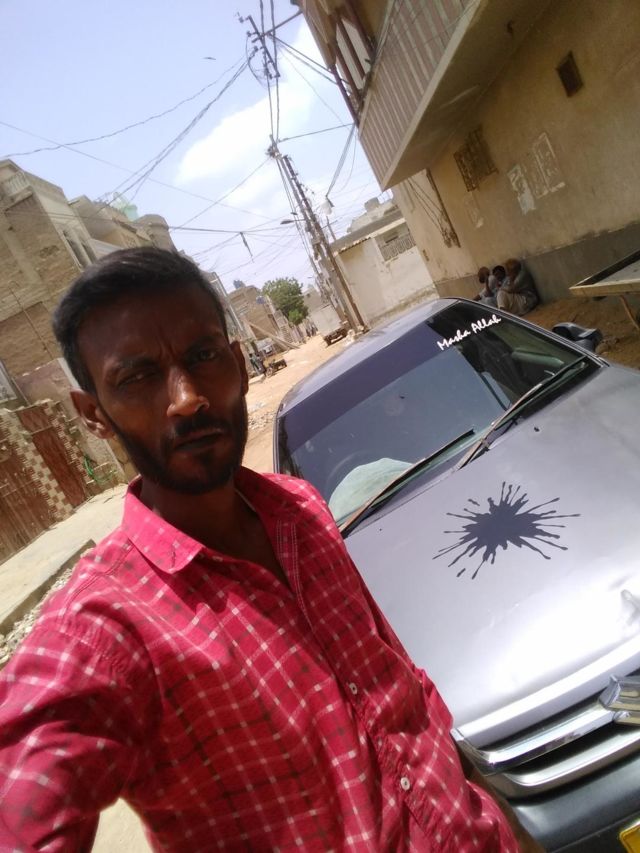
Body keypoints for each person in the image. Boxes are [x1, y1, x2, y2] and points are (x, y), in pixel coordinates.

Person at [0, 248, 543, 852]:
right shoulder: (102, 630)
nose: (186, 398)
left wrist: (499, 817)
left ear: (238, 363)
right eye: (138, 378)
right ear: (94, 415)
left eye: (203, 356)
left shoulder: (301, 509)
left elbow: (402, 689)